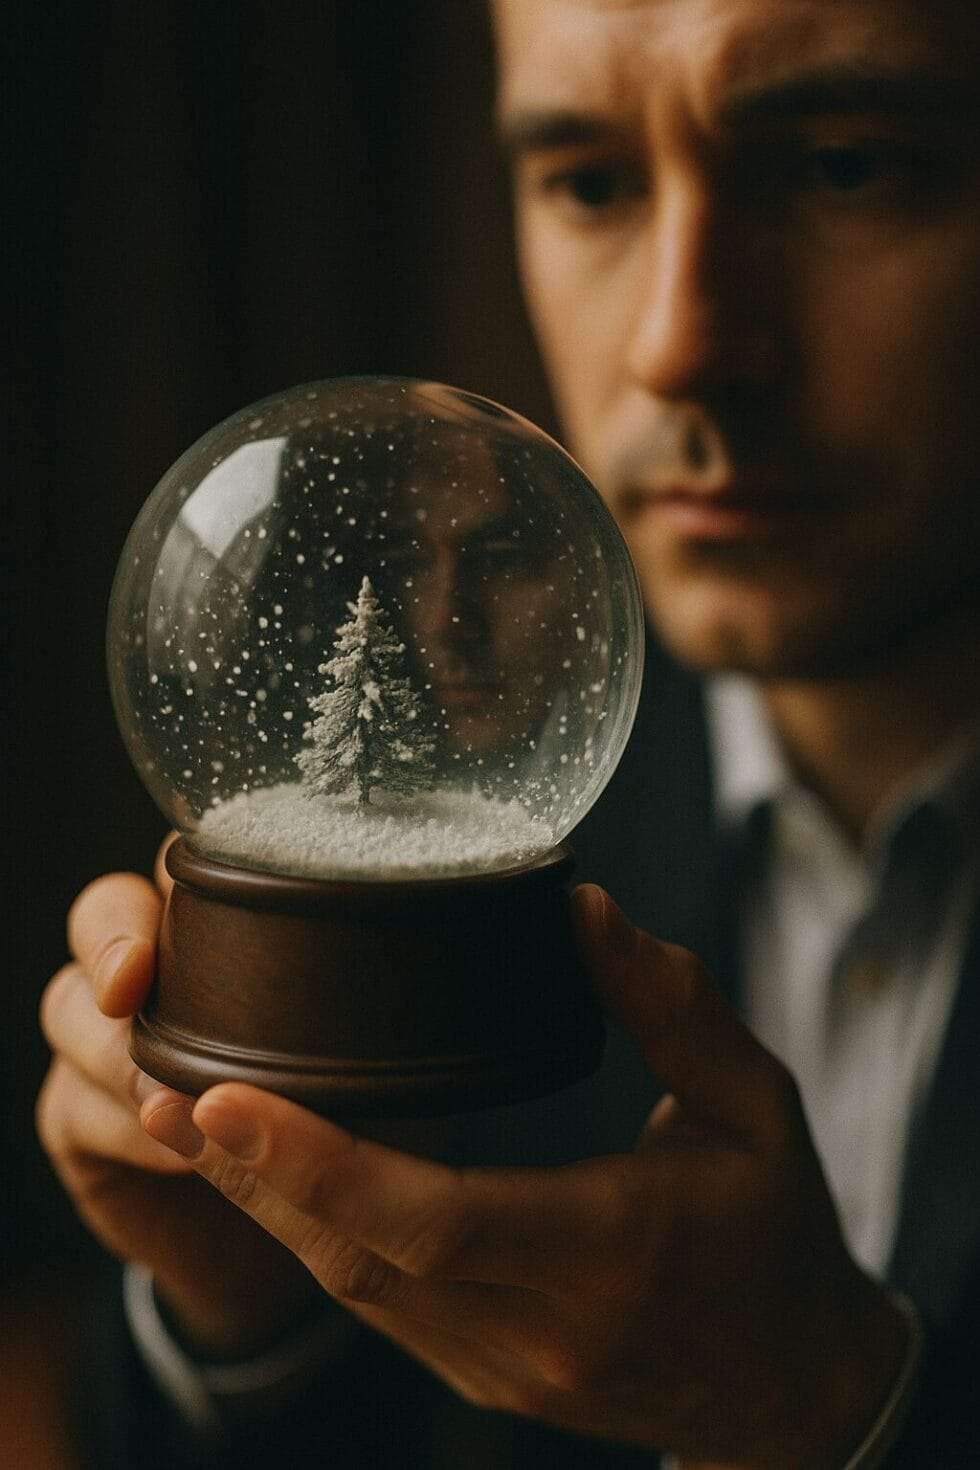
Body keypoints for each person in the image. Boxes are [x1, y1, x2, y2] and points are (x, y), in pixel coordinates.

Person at [37, 0, 980, 1464]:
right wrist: (247, 1314)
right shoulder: (494, 810)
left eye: (847, 167)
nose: (677, 342)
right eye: (592, 180)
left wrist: (845, 1413)